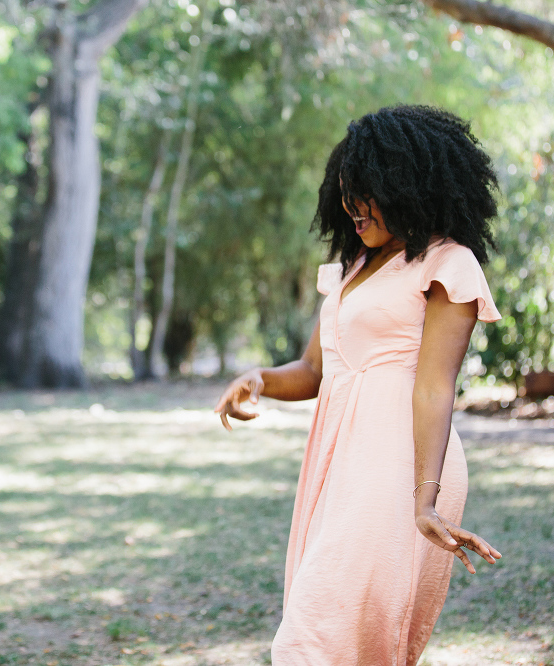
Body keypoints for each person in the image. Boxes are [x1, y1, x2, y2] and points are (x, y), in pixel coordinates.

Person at [214, 105, 503, 665]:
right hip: (339, 457)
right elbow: (318, 371)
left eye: (364, 194)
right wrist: (258, 379)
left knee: (314, 634)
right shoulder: (353, 267)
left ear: (405, 186)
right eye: (345, 193)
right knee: (334, 633)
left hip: (400, 461)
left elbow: (434, 388)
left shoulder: (447, 265)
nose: (351, 208)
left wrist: (426, 498)